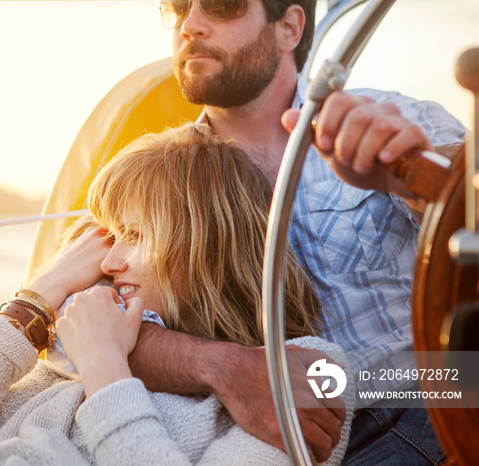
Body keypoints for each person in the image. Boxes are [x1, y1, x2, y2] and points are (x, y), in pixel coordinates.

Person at [0, 123, 354, 465]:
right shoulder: (70, 354)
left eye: (133, 235)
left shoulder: (297, 375)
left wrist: (106, 368)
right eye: (108, 236)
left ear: (203, 240)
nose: (107, 260)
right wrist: (40, 295)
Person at [122, 0, 466, 464]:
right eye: (177, 8)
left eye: (222, 6)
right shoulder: (156, 176)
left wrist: (413, 179)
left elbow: (470, 200)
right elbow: (83, 330)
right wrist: (226, 368)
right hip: (275, 444)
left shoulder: (393, 117)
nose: (191, 26)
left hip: (433, 405)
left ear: (288, 28)